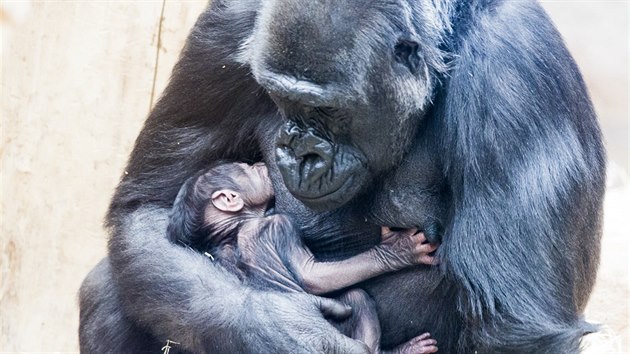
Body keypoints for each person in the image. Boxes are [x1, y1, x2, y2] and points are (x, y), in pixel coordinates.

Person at [167, 161, 439, 354]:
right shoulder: (268, 227)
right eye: (249, 169)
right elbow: (313, 278)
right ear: (229, 199)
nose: (262, 165)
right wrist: (389, 256)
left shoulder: (221, 266)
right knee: (355, 300)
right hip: (316, 337)